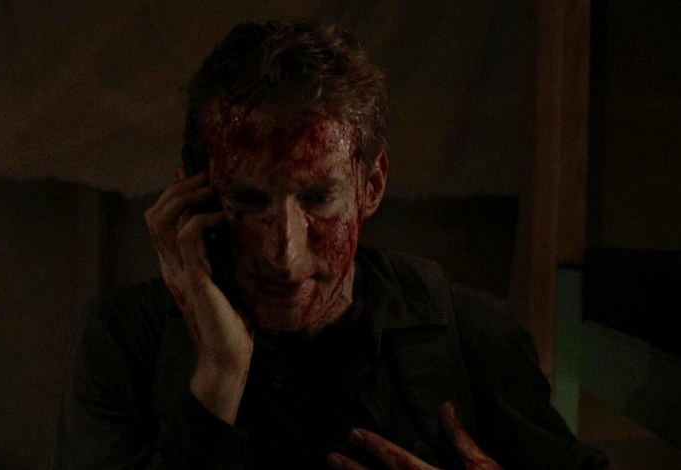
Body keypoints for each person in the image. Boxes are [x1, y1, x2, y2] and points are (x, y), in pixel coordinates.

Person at [51, 19, 608, 469]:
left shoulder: (474, 336)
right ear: (192, 195)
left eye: (318, 199)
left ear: (372, 186)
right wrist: (218, 377)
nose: (284, 254)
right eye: (248, 201)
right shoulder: (125, 342)